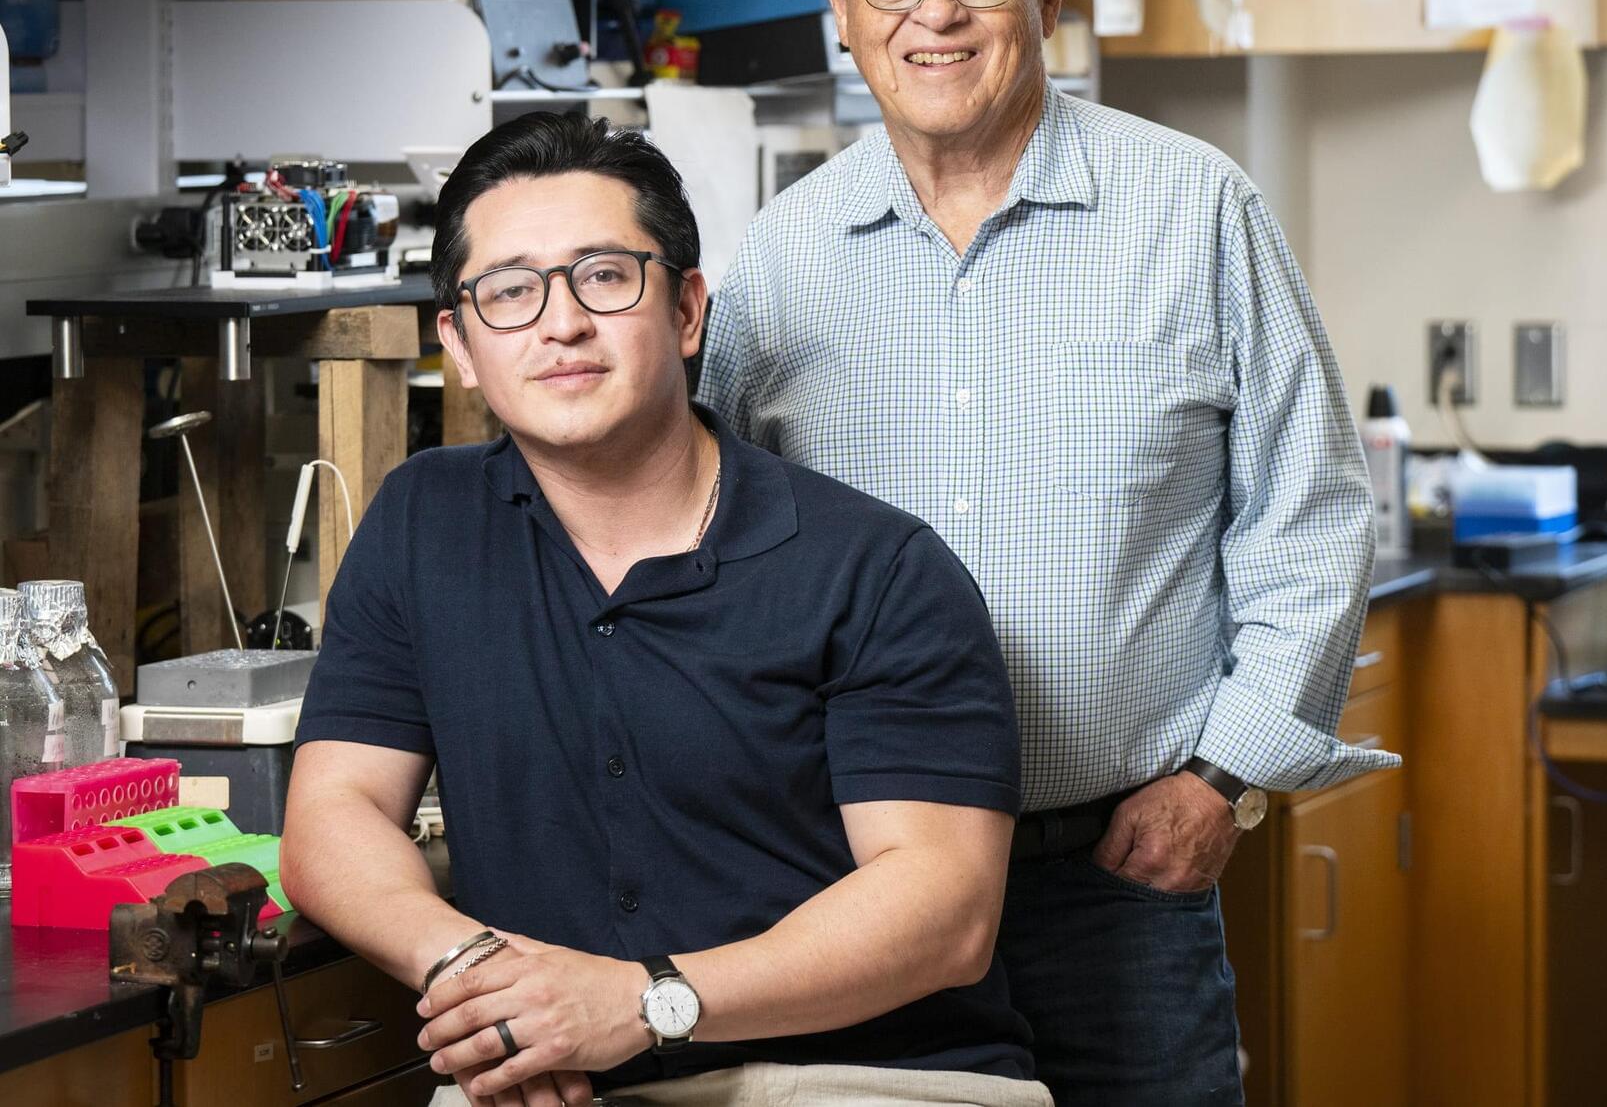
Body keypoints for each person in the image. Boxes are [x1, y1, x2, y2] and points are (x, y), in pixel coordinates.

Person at [697, 0, 1395, 1106]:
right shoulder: (783, 260)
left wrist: (1220, 780)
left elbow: (1311, 524)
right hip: (855, 885)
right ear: (842, 6)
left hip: (1114, 882)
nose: (936, 14)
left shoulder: (1195, 212)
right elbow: (709, 550)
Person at [283, 112, 1046, 1107]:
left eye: (604, 276)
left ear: (687, 311)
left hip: (858, 1074)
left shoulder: (877, 569)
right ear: (460, 346)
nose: (561, 323)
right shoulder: (422, 522)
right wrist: (485, 984)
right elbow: (333, 815)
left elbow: (944, 910)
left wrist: (643, 1001)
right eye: (508, 291)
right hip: (548, 1066)